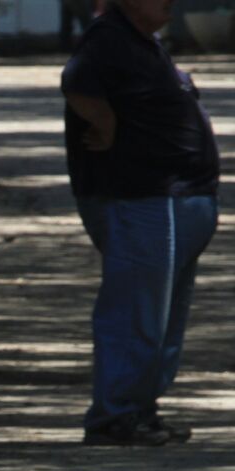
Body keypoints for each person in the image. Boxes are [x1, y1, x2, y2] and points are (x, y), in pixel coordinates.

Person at [62, 0, 219, 445]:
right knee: (135, 311)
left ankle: (140, 410)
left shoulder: (141, 41)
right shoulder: (109, 36)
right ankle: (115, 416)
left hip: (173, 200)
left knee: (162, 316)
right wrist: (105, 123)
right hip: (142, 199)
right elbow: (76, 83)